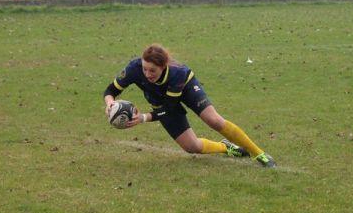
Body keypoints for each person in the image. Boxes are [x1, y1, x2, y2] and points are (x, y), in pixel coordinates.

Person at [103, 44, 276, 168]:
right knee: (191, 147)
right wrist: (110, 103)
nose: (147, 74)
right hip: (160, 100)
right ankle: (226, 147)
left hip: (186, 88)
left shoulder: (176, 73)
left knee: (214, 120)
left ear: (163, 67)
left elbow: (170, 108)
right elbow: (110, 90)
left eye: (152, 71)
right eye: (145, 69)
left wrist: (143, 118)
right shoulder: (134, 69)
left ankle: (259, 154)